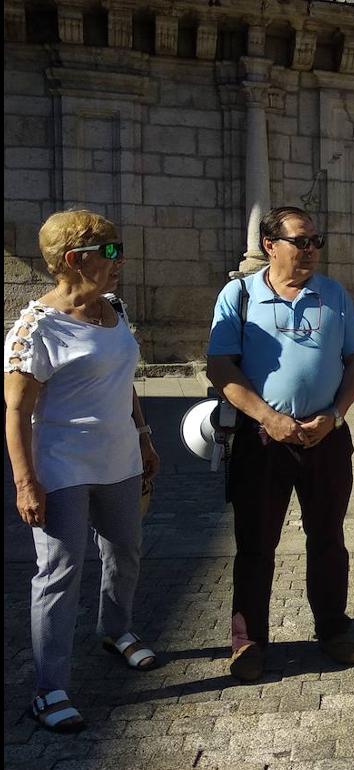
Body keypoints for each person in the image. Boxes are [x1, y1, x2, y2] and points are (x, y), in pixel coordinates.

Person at [4, 210, 160, 732]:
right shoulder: (35, 329)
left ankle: (117, 630)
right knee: (59, 575)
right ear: (75, 260)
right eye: (109, 252)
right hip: (63, 468)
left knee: (125, 551)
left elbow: (124, 383)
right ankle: (50, 689)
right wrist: (26, 482)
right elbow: (17, 413)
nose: (120, 262)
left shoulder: (112, 309)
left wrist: (144, 436)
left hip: (119, 458)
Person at [206, 206, 354, 682]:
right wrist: (268, 417)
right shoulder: (239, 294)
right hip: (263, 442)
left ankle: (333, 630)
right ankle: (248, 641)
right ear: (270, 245)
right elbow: (221, 369)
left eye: (316, 241)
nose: (311, 250)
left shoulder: (333, 294)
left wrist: (335, 416)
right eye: (301, 241)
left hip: (327, 438)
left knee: (328, 539)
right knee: (256, 544)